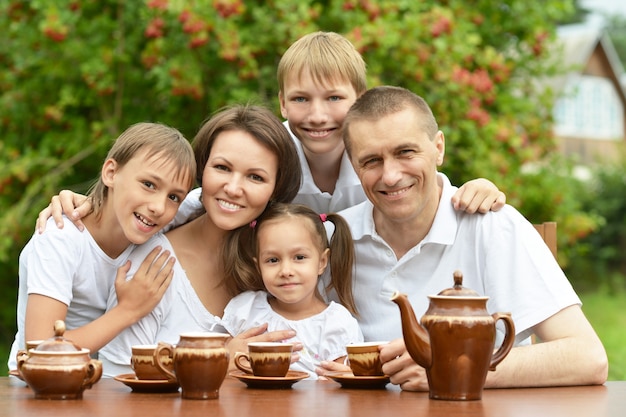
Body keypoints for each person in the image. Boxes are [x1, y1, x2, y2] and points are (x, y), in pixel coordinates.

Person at [36, 32, 506, 233]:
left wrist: (476, 189)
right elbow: (210, 197)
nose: (317, 115)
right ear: (282, 103)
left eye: (334, 100)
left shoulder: (375, 157)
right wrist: (93, 206)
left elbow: (418, 184)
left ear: (359, 100)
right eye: (300, 99)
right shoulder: (270, 150)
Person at [316, 85, 608, 390]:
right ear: (353, 165)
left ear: (438, 148)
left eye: (405, 152)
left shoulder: (492, 225)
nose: (390, 175)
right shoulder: (331, 240)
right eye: (372, 161)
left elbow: (587, 357)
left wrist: (450, 366)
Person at [96, 104, 305, 377]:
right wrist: (215, 363)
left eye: (255, 177)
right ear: (202, 169)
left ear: (275, 188)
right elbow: (116, 381)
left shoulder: (282, 265)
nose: (232, 188)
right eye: (222, 167)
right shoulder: (151, 265)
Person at [8, 122, 197, 371]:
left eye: (174, 197)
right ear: (111, 173)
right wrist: (127, 311)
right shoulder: (60, 239)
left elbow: (211, 199)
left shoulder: (154, 222)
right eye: (149, 184)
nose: (159, 207)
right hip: (37, 395)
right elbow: (40, 352)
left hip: (96, 392)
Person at [221, 202, 363, 379]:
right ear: (258, 266)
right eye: (273, 260)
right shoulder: (246, 309)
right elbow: (222, 368)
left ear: (322, 262)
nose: (286, 271)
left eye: (299, 257)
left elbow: (342, 384)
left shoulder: (337, 324)